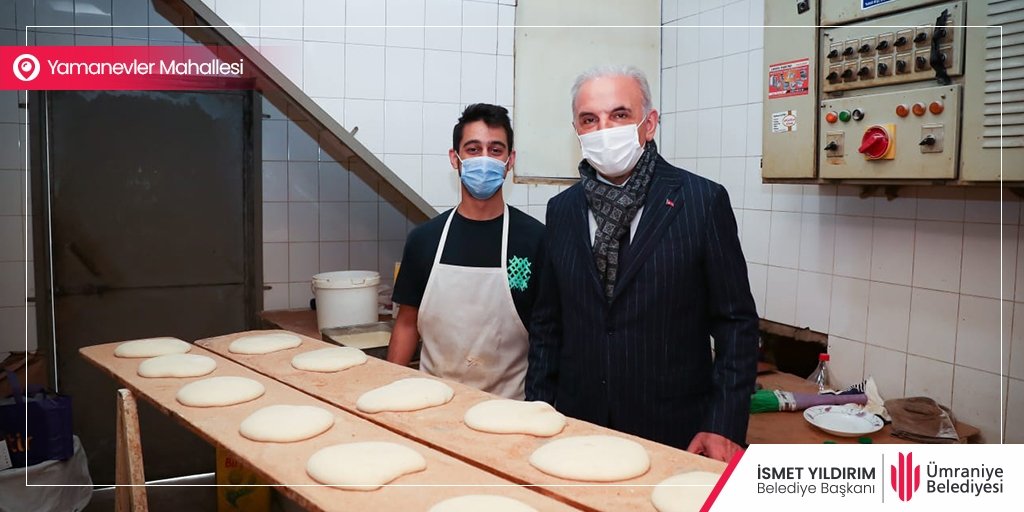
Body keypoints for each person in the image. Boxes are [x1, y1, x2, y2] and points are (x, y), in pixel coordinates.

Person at [526, 65, 759, 461]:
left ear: (649, 124)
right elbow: (548, 324)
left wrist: (723, 424)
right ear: (577, 131)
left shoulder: (700, 202)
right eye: (589, 120)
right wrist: (538, 408)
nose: (604, 129)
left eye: (619, 115)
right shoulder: (561, 210)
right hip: (576, 426)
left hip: (674, 432)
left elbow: (736, 324)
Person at [388, 103, 545, 400]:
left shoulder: (535, 240)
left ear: (510, 160)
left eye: (495, 150)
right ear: (455, 158)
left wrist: (539, 405)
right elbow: (407, 324)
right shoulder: (424, 239)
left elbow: (546, 337)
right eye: (473, 149)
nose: (484, 159)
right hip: (430, 402)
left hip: (509, 408)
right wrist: (391, 390)